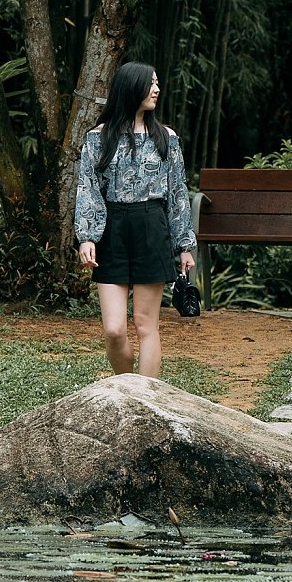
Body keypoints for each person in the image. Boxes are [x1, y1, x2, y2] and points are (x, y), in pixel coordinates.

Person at [74, 62, 196, 378]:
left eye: (158, 83)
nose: (157, 89)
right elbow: (88, 188)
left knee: (145, 325)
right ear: (131, 88)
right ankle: (125, 388)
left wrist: (185, 245)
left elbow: (178, 192)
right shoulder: (97, 138)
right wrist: (86, 236)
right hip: (112, 229)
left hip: (151, 226)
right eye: (150, 83)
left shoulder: (166, 138)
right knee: (114, 330)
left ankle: (146, 401)